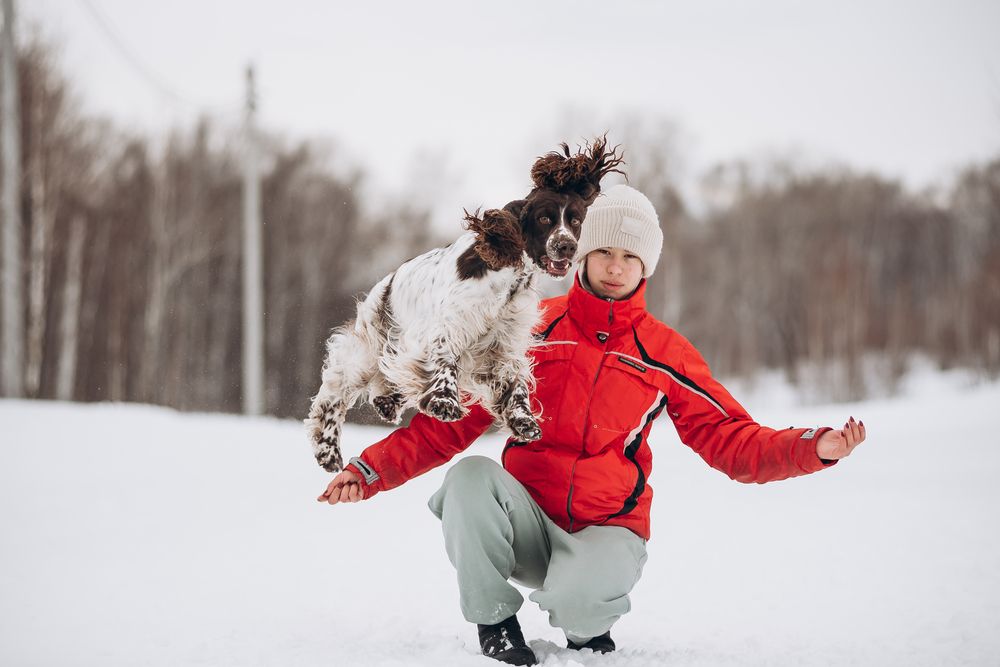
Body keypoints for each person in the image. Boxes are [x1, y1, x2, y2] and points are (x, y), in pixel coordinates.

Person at [318, 184, 868, 666]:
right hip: (525, 524)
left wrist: (814, 448)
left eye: (629, 256)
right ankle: (494, 624)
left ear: (646, 267)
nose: (613, 265)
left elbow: (730, 439)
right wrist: (367, 471)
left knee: (580, 605)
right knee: (469, 479)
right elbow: (446, 429)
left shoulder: (664, 353)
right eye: (602, 250)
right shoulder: (529, 328)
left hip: (606, 529)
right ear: (577, 253)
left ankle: (587, 627)